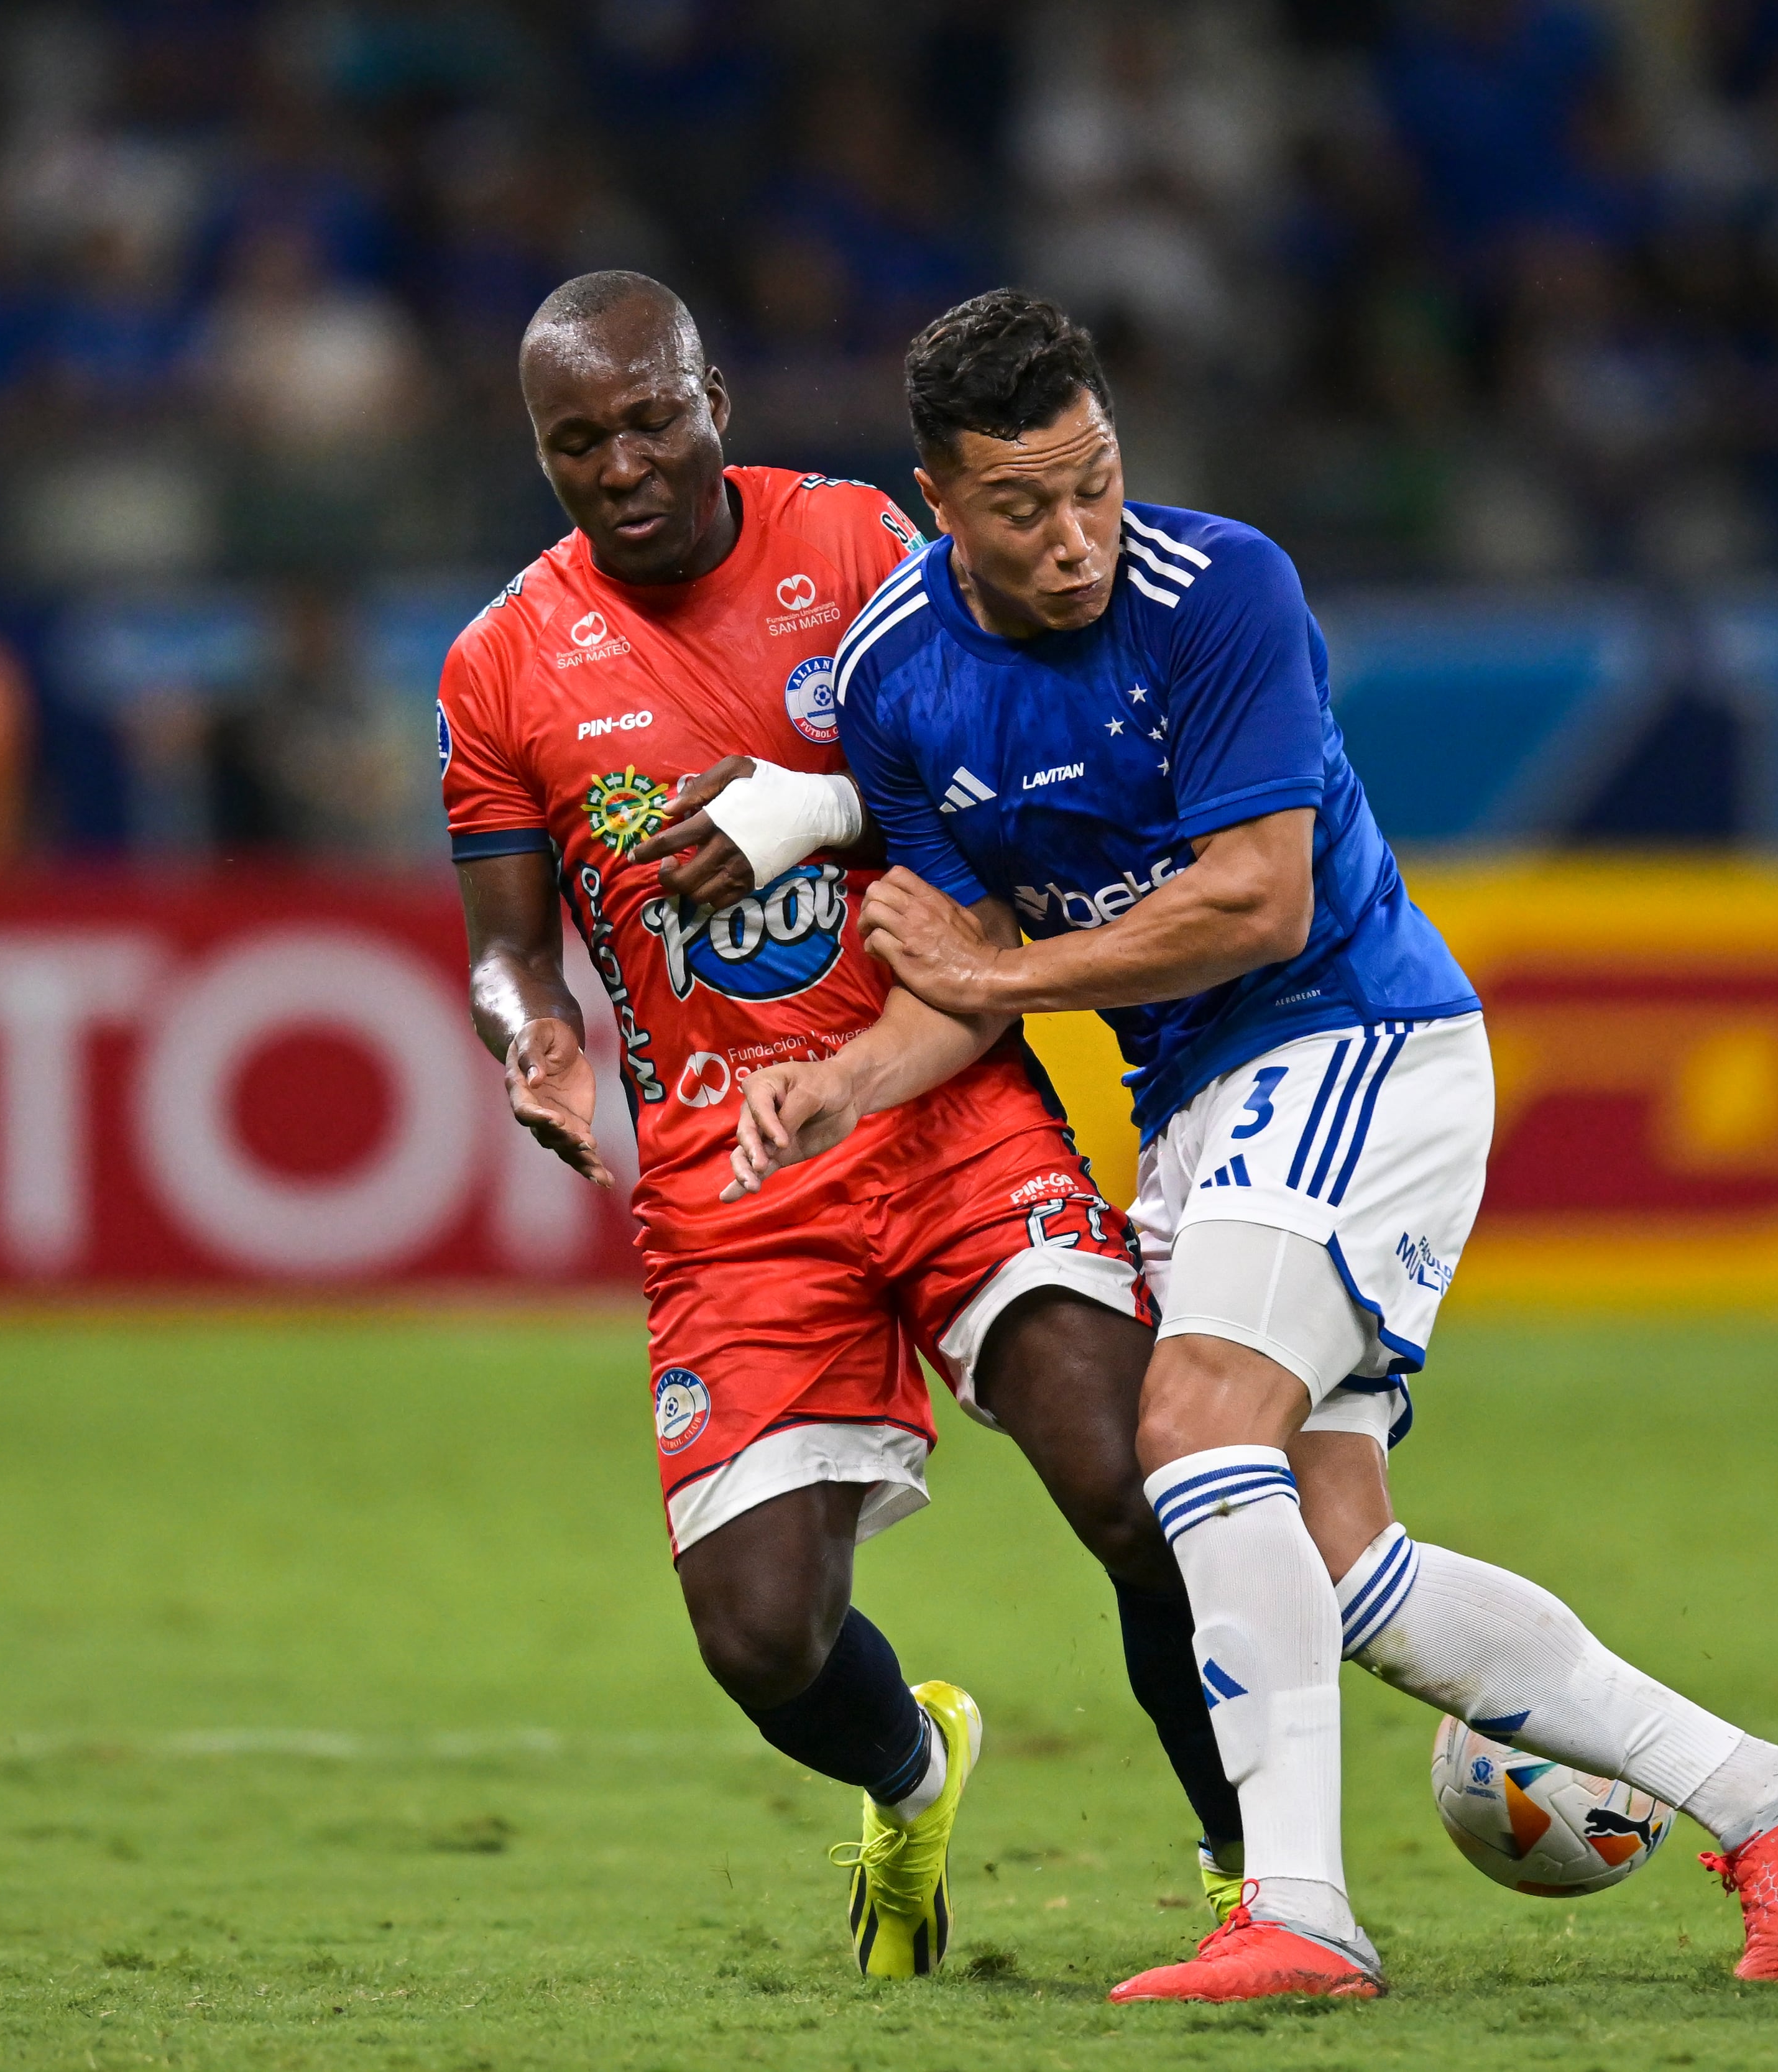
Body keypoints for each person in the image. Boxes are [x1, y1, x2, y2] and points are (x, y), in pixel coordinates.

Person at [722, 289, 1778, 2003]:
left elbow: (1259, 903)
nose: (1074, 537)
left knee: (1187, 1431)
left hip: (1352, 1039)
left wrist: (1006, 973)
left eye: (1096, 481)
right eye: (1023, 507)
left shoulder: (1225, 589)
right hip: (1201, 1107)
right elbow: (955, 986)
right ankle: (1771, 1799)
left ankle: (1302, 1913)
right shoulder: (896, 676)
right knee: (1338, 1569)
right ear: (938, 499)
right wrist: (842, 1084)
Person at [441, 271, 1241, 1981]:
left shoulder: (861, 546)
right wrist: (532, 1050)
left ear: (714, 396)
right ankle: (908, 1771)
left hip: (945, 1103)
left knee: (1132, 1480)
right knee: (761, 1639)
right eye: (576, 442)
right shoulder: (503, 663)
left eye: (651, 417)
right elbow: (509, 953)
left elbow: (989, 742)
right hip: (735, 1185)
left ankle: (1254, 1870)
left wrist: (807, 813)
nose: (622, 462)